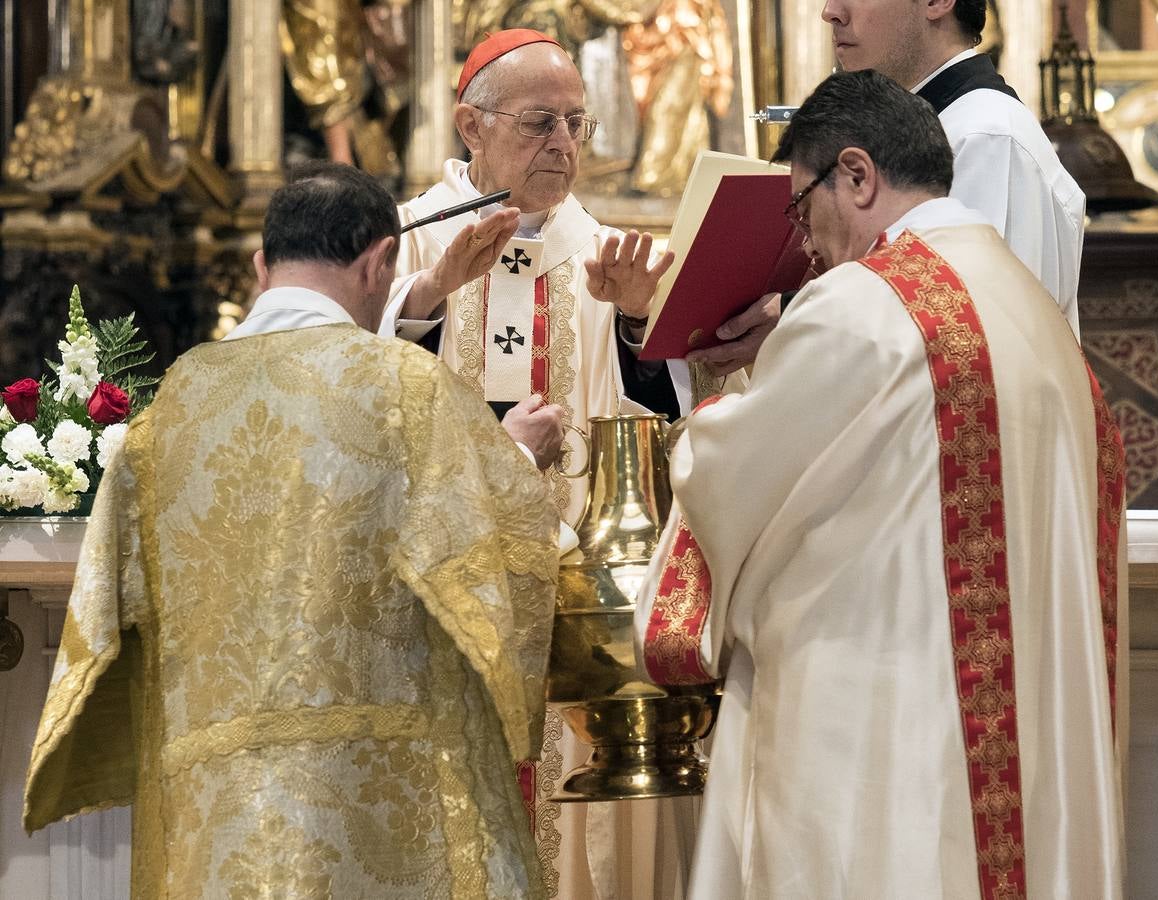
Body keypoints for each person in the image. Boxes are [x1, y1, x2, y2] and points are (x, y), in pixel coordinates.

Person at [636, 71, 1126, 898]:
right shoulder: (1042, 323)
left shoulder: (858, 307)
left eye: (802, 208)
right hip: (1026, 742)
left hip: (878, 733)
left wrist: (720, 394)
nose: (806, 243)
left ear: (857, 175)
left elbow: (730, 477)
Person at [24, 162, 560, 899]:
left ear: (259, 266)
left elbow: (105, 621)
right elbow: (485, 561)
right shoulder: (407, 388)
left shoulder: (169, 414)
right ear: (379, 263)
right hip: (381, 801)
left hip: (217, 815)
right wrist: (524, 459)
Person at [379, 28, 687, 527]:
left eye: (575, 122)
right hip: (437, 557)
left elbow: (673, 418)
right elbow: (352, 402)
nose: (563, 144)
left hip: (583, 566)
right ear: (472, 128)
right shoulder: (403, 242)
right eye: (539, 123)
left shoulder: (610, 257)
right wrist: (428, 294)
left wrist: (637, 322)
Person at [693, 0, 1085, 376]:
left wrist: (801, 316)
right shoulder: (930, 128)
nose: (830, 12)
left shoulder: (985, 134)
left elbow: (963, 331)